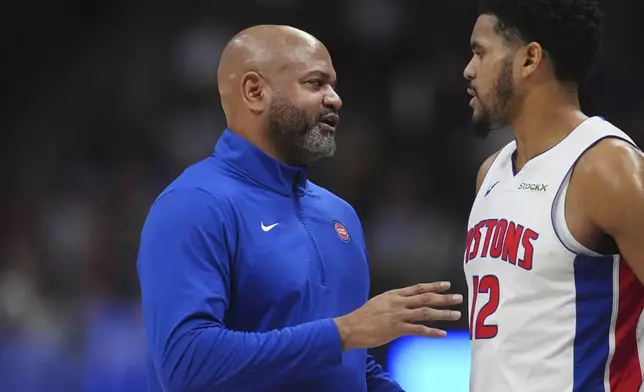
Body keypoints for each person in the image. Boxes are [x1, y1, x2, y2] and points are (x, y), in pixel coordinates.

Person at [137, 25, 463, 392]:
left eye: (333, 85)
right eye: (315, 83)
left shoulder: (340, 215)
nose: (335, 99)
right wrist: (347, 332)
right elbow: (186, 364)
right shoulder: (194, 205)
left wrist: (352, 345)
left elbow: (345, 364)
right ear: (255, 91)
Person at [462, 0, 644, 391]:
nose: (469, 69)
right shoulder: (489, 174)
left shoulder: (607, 169)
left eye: (480, 52)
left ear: (529, 59)